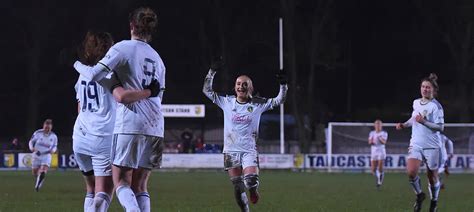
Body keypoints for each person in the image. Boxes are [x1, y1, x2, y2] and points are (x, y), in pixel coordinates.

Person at [73, 7, 165, 212]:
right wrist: (147, 92)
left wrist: (75, 63)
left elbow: (93, 81)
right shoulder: (158, 59)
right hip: (152, 125)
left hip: (99, 130)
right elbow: (157, 95)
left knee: (112, 184)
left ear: (132, 25)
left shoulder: (120, 50)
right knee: (138, 186)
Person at [203, 59, 288, 212]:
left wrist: (283, 85)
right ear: (234, 87)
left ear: (250, 87)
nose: (241, 86)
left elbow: (279, 100)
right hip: (230, 151)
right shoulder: (227, 102)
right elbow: (207, 92)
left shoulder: (258, 104)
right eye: (238, 84)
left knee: (250, 181)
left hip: (249, 150)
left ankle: (254, 191)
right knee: (237, 186)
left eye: (244, 84)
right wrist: (211, 72)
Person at [396, 73, 444, 212]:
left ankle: (434, 202)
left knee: (432, 178)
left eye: (428, 87)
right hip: (416, 143)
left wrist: (424, 121)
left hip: (432, 146)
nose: (425, 89)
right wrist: (404, 125)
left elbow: (440, 127)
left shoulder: (436, 107)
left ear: (433, 90)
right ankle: (419, 195)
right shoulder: (416, 102)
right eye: (423, 86)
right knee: (411, 172)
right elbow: (413, 118)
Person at [28, 119, 58, 192]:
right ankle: (40, 178)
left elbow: (55, 146)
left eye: (48, 127)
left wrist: (53, 151)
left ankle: (37, 186)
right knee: (35, 173)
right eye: (46, 127)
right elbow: (31, 142)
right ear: (43, 126)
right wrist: (32, 148)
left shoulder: (54, 136)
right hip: (37, 154)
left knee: (43, 170)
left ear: (51, 127)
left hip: (46, 155)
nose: (47, 129)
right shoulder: (38, 133)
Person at [368, 119, 388, 189]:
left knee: (380, 168)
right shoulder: (372, 133)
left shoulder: (384, 133)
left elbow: (384, 142)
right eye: (376, 124)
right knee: (373, 170)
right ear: (374, 125)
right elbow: (369, 142)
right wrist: (371, 142)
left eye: (379, 124)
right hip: (373, 151)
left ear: (381, 125)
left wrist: (379, 138)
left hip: (381, 150)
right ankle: (379, 176)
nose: (378, 125)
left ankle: (379, 181)